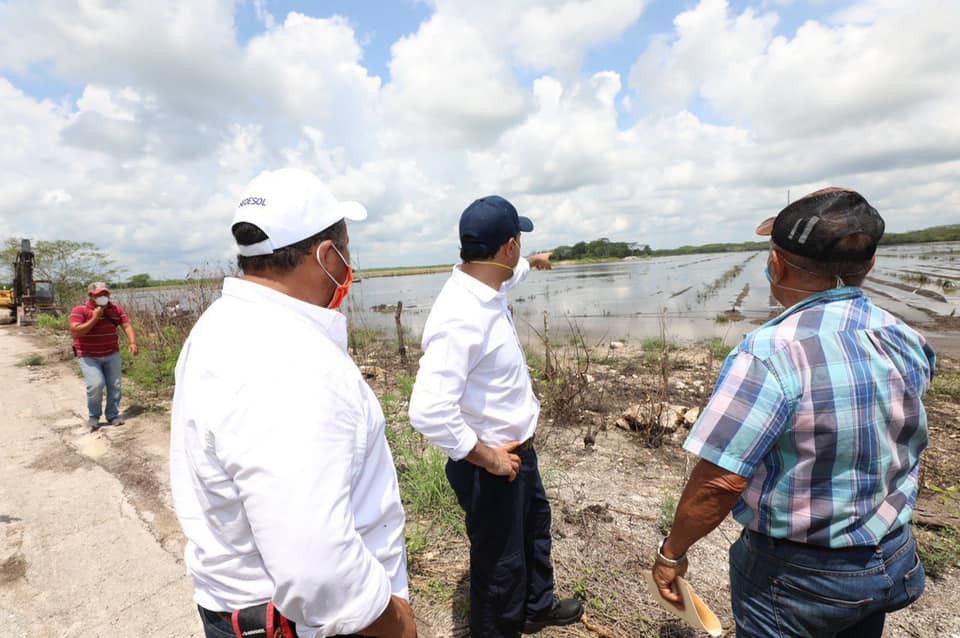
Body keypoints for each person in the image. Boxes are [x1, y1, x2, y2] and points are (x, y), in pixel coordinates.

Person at [652, 188, 935, 637]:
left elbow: (722, 481)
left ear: (776, 265)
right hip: (889, 555)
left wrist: (672, 553)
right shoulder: (903, 336)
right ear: (870, 264)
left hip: (800, 576)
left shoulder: (769, 353)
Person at [169, 168, 416, 638]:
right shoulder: (290, 363)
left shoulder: (221, 325)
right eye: (346, 248)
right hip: (304, 625)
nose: (349, 263)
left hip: (243, 612)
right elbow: (314, 567)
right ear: (326, 255)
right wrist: (395, 623)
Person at [409, 195, 583, 637]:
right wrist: (488, 459)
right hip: (492, 465)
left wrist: (536, 262)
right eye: (522, 242)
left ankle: (535, 608)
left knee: (533, 533)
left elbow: (513, 274)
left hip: (517, 454)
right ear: (508, 246)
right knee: (500, 566)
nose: (523, 249)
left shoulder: (488, 284)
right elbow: (428, 411)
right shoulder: (460, 316)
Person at [69, 281, 138, 431]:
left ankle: (112, 415)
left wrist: (133, 342)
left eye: (105, 294)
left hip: (112, 353)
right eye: (99, 294)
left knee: (115, 385)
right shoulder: (80, 310)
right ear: (91, 296)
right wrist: (95, 317)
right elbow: (75, 332)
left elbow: (126, 325)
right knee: (96, 384)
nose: (103, 296)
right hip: (89, 356)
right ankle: (94, 416)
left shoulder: (115, 309)